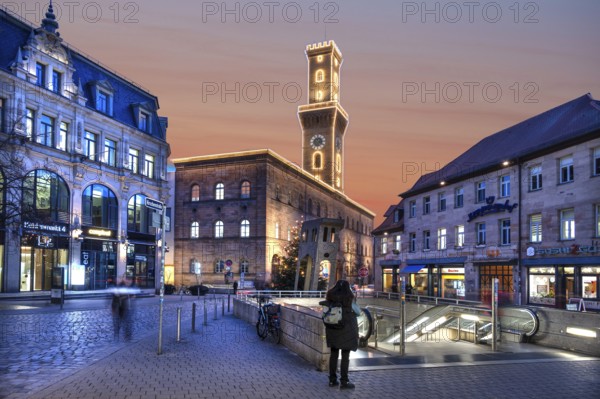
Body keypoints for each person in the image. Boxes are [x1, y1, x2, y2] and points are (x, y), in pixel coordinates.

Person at [324, 280, 359, 389]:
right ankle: (344, 381)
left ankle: (332, 380)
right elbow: (358, 312)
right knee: (345, 356)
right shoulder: (349, 298)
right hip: (347, 329)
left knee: (333, 355)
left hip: (333, 328)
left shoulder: (330, 296)